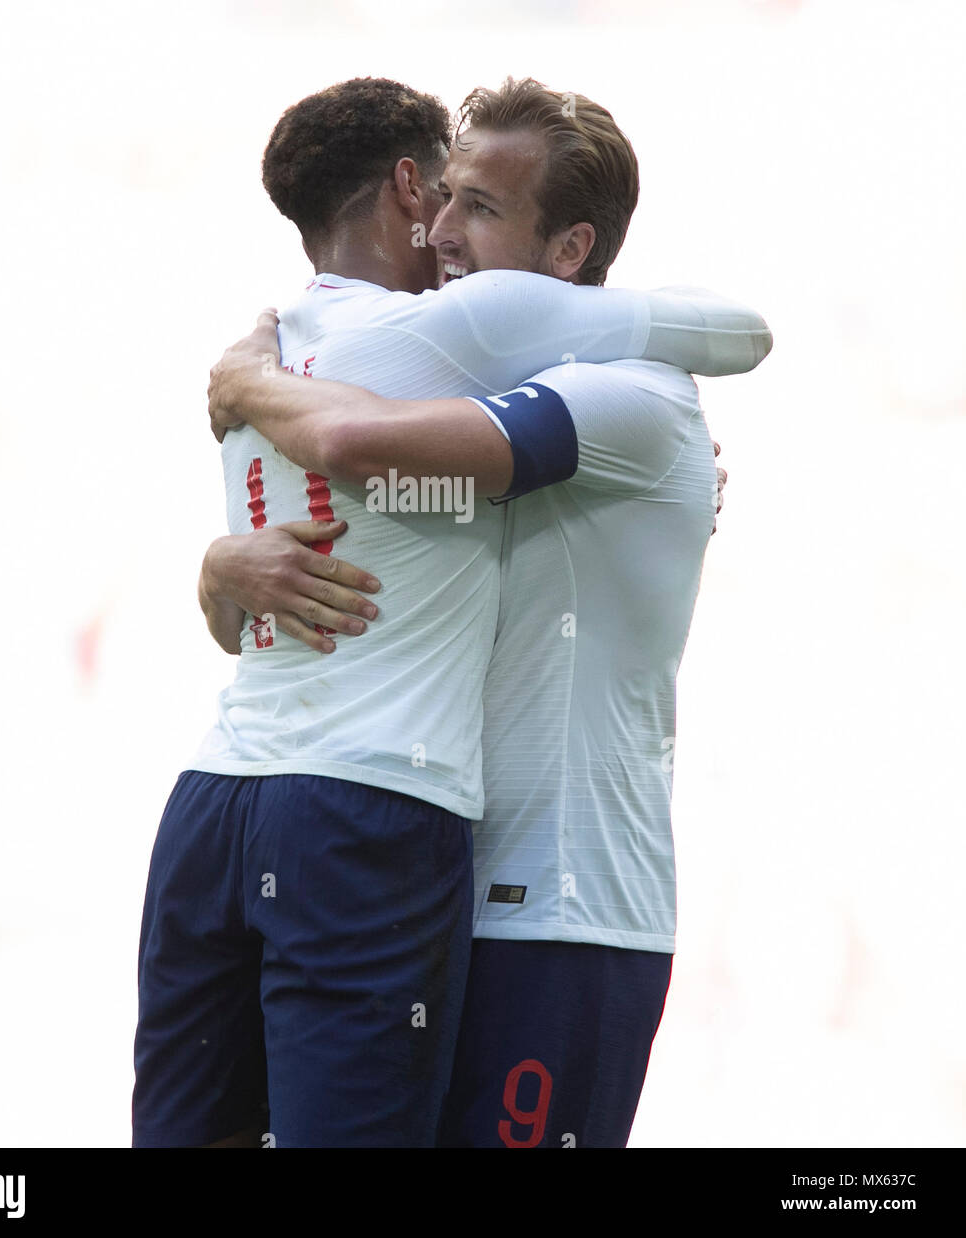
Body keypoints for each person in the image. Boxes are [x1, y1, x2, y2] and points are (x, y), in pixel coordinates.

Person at [136, 77, 770, 1149]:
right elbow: (366, 501)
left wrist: (246, 385)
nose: (440, 229)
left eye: (478, 207)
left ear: (568, 253)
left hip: (563, 902)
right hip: (430, 879)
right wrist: (217, 567)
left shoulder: (631, 396)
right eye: (444, 197)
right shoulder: (449, 372)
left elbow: (359, 446)